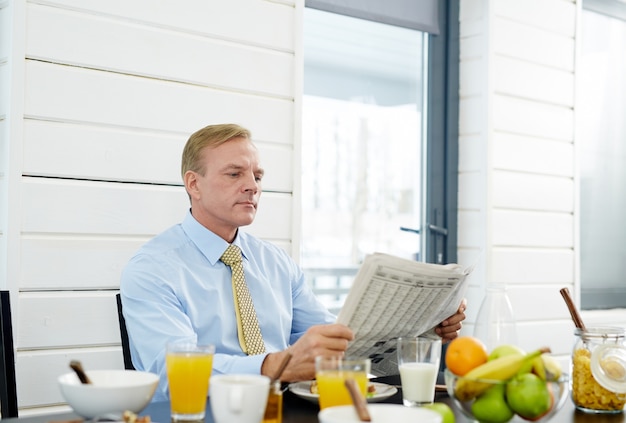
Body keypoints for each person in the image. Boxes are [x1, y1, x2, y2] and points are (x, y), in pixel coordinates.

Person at [120, 123, 467, 401]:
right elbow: (171, 373)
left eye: (257, 176)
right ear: (193, 184)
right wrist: (276, 366)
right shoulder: (151, 269)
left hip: (288, 410)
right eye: (234, 174)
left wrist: (423, 330)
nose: (252, 186)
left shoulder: (276, 263)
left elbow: (338, 345)